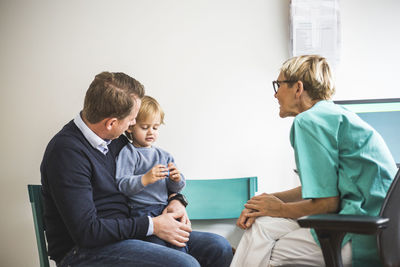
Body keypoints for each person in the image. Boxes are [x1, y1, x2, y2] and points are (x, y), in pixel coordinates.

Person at [40, 72, 233, 267]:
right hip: (82, 251)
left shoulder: (116, 141)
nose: (133, 124)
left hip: (130, 231)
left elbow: (150, 179)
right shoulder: (66, 152)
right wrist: (153, 225)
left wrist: (177, 201)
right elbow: (88, 232)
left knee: (218, 247)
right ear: (111, 123)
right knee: (184, 265)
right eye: (132, 119)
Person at [230, 55, 397, 267]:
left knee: (261, 248)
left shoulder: (308, 121)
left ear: (297, 88)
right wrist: (266, 202)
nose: (275, 94)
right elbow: (321, 189)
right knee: (263, 226)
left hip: (358, 235)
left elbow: (327, 203)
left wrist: (279, 208)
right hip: (378, 232)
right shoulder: (334, 115)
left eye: (279, 85)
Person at [116, 95, 188, 252]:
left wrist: (176, 179)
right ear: (131, 127)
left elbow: (175, 189)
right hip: (142, 212)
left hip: (165, 208)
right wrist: (145, 179)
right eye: (145, 127)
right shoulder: (129, 153)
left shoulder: (164, 155)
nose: (151, 132)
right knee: (158, 248)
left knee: (180, 244)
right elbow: (122, 184)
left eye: (155, 127)